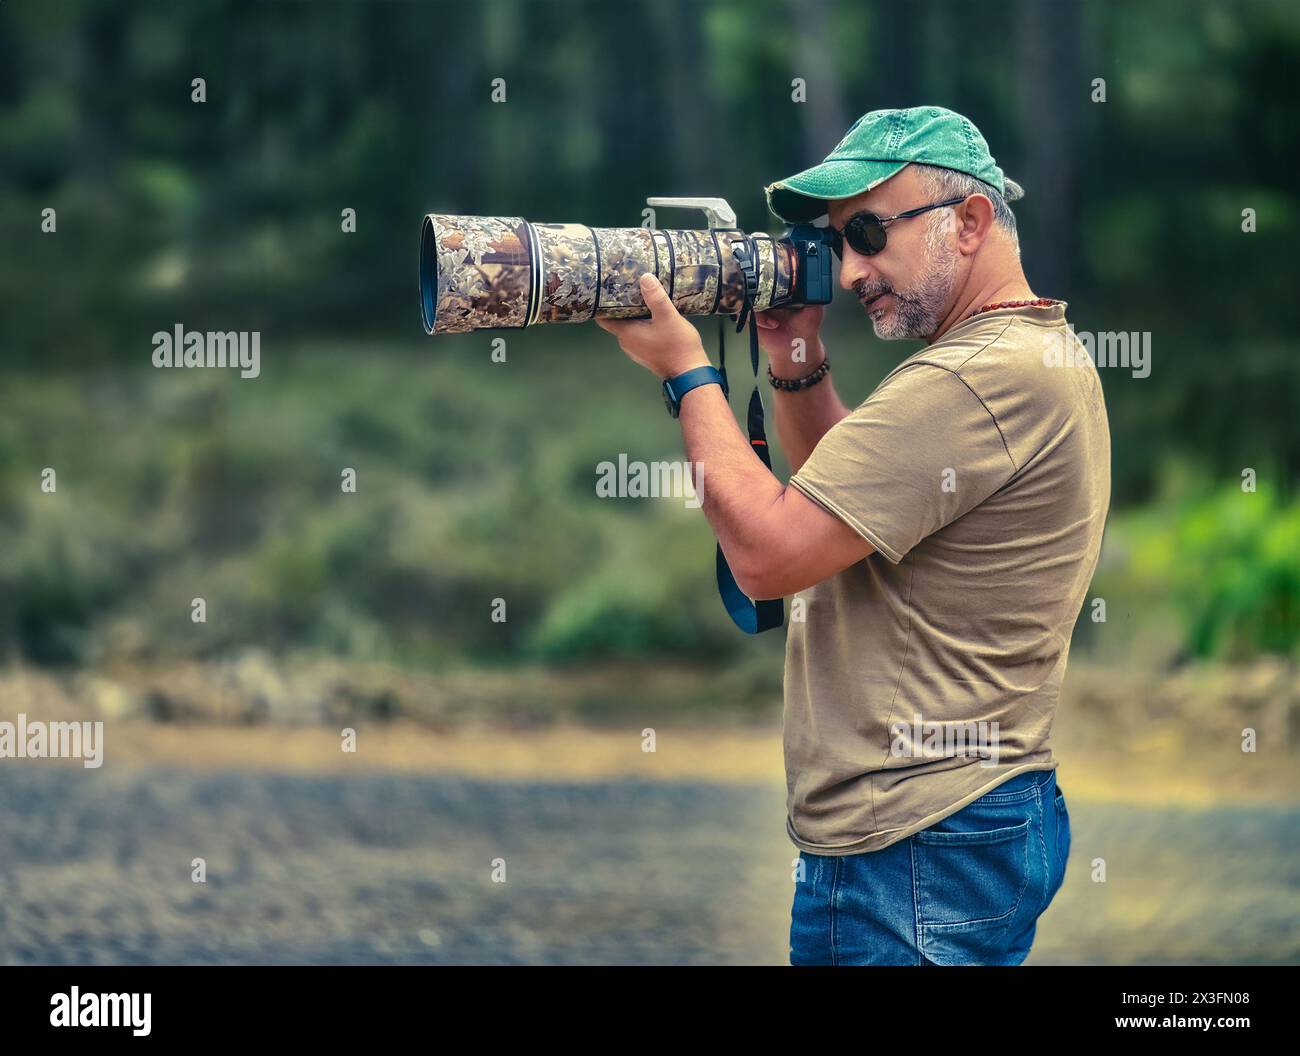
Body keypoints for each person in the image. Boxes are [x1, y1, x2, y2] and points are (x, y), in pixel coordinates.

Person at [596, 105, 1109, 965]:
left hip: (911, 843)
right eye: (837, 243)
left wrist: (688, 374)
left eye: (869, 231)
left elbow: (766, 558)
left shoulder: (969, 379)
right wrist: (796, 360)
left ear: (971, 220)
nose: (850, 270)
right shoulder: (1032, 353)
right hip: (969, 818)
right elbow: (857, 502)